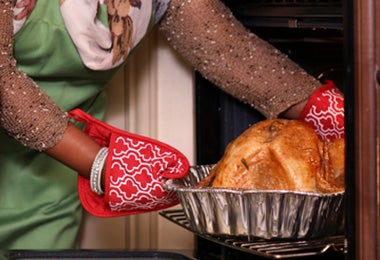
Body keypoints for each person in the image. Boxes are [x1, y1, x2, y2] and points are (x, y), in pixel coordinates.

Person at [0, 0, 344, 249]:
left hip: (51, 174)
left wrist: (332, 114)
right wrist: (101, 163)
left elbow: (226, 49)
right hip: (70, 153)